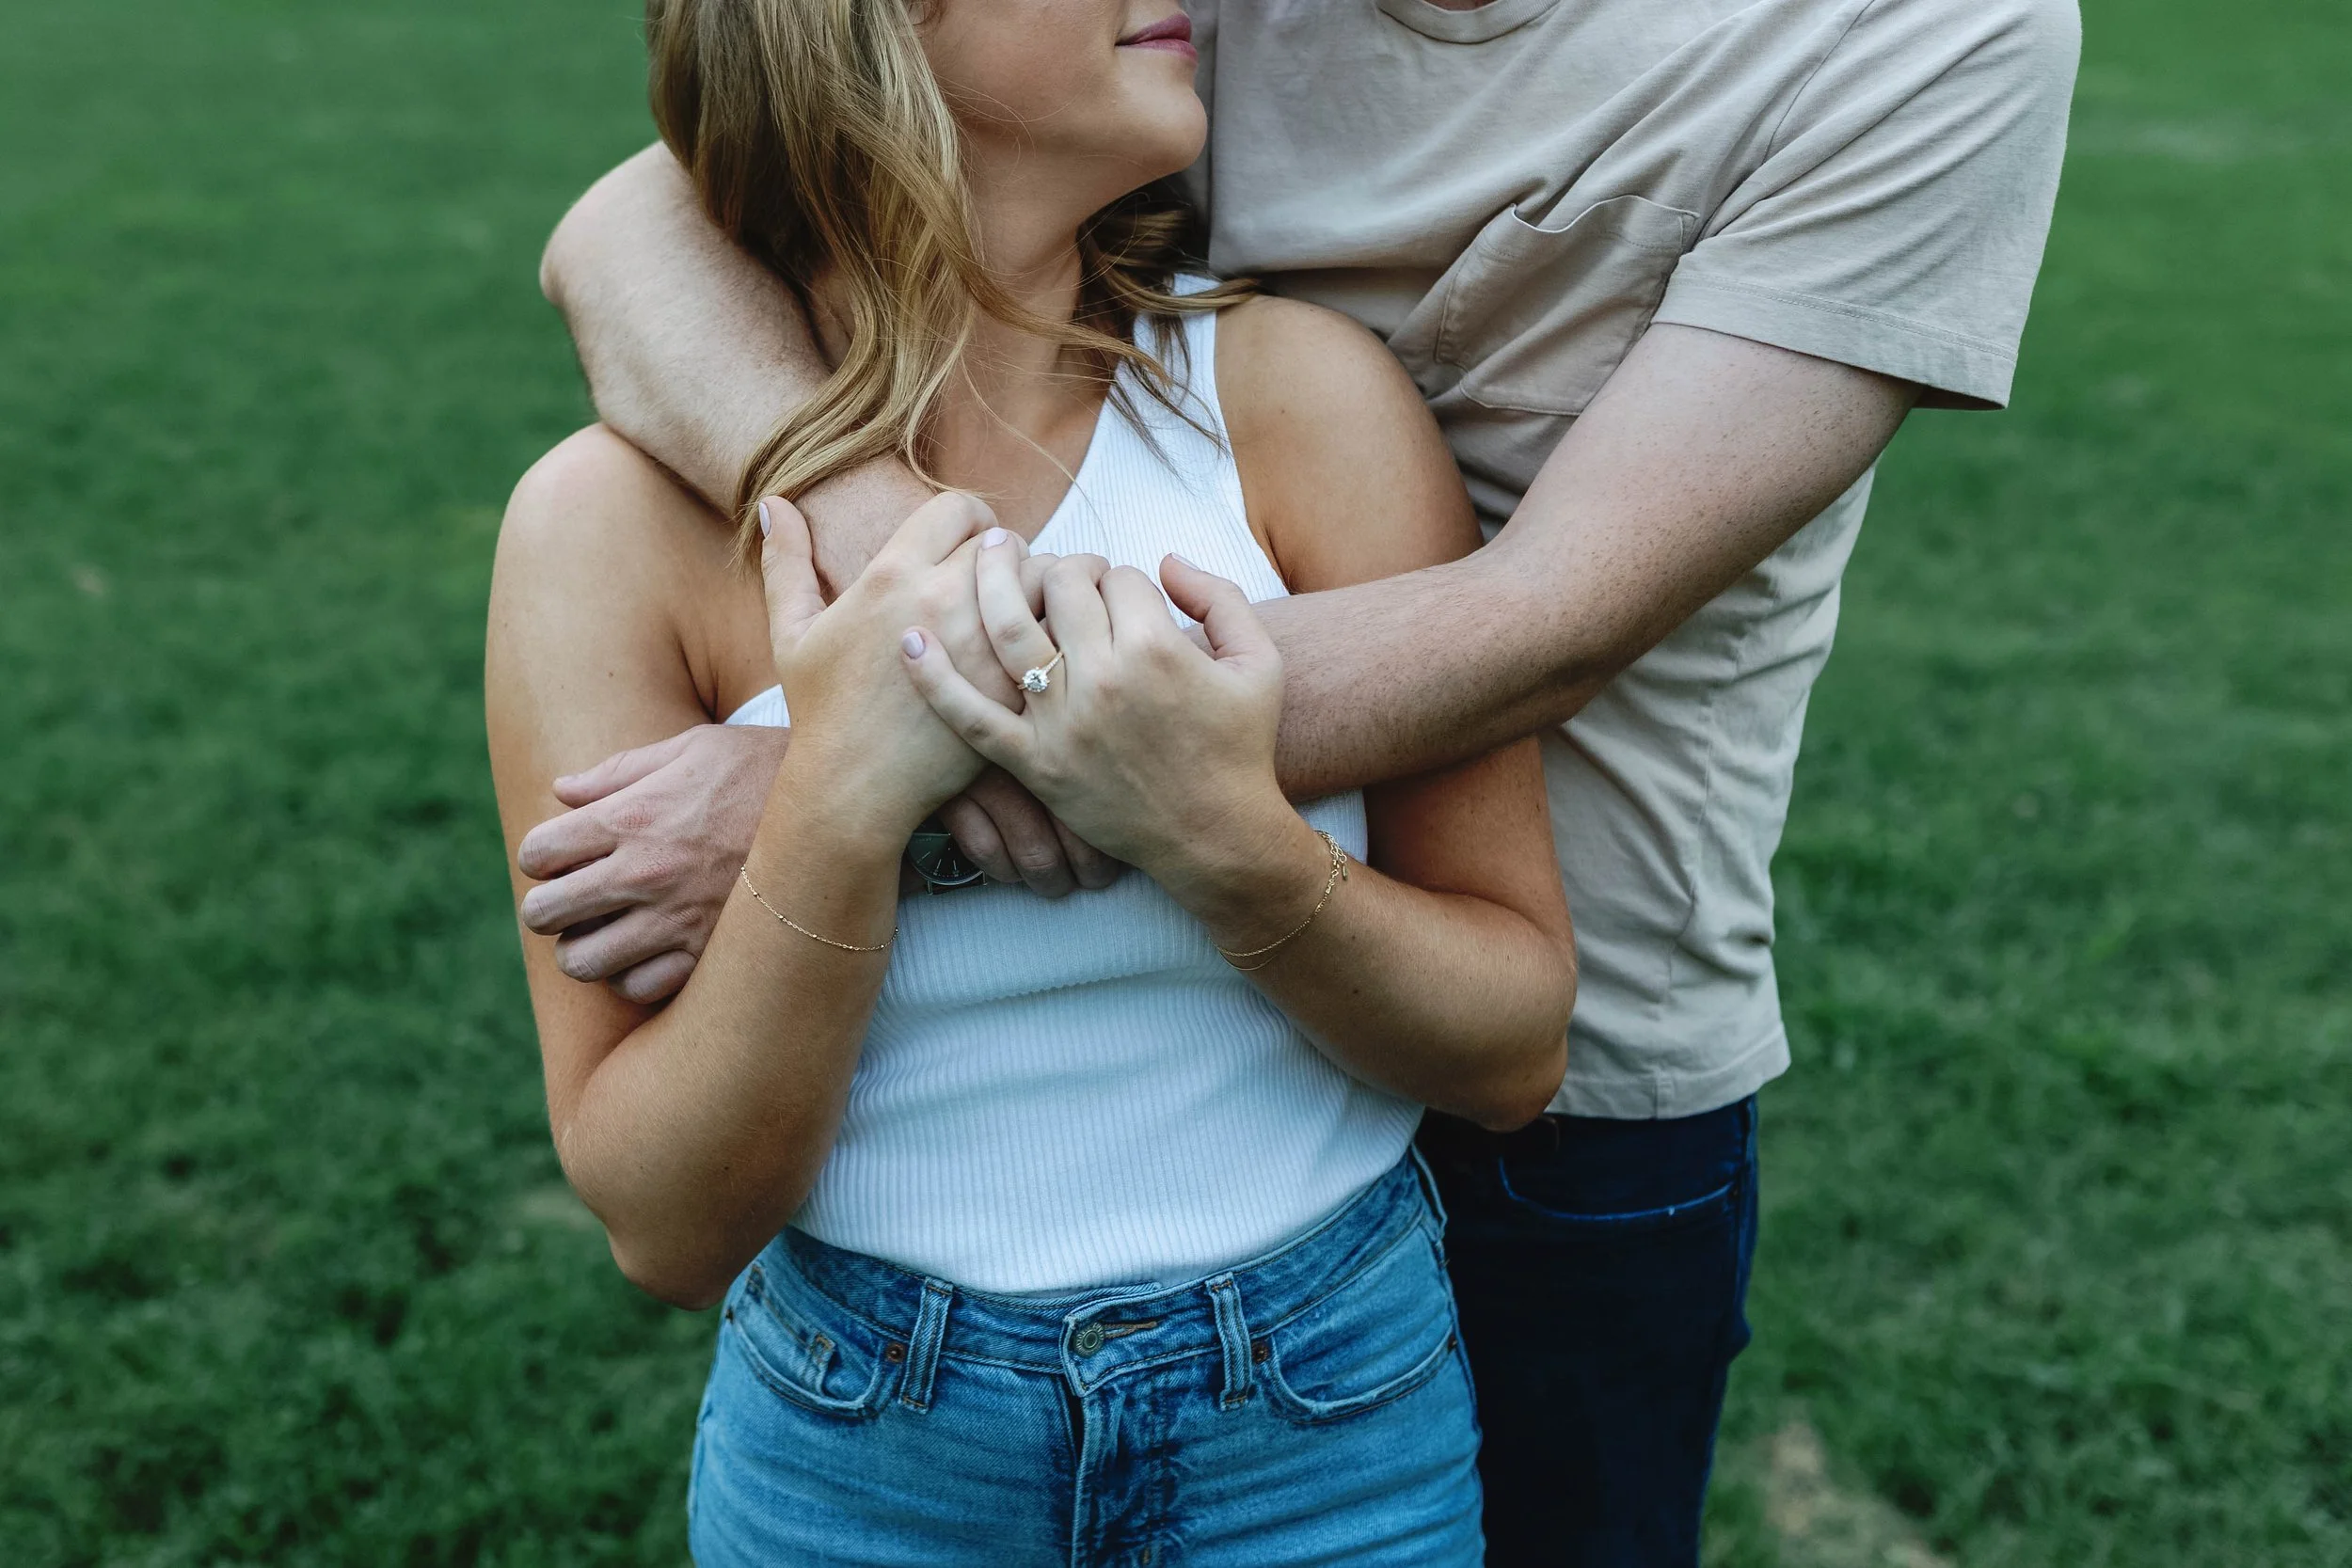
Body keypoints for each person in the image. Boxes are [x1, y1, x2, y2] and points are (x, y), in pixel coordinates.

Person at [523, 0, 2079, 1560]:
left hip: (1553, 1116)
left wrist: (859, 770)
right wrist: (895, 562)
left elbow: (1541, 629)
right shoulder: (614, 530)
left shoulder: (1926, 36)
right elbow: (643, 207)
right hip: (870, 1420)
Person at [488, 0, 1579, 1560]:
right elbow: (664, 1222)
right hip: (863, 1457)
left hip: (1326, 1425)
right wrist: (842, 796)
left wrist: (1223, 844)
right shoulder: (606, 530)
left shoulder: (1291, 408)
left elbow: (1513, 1043)